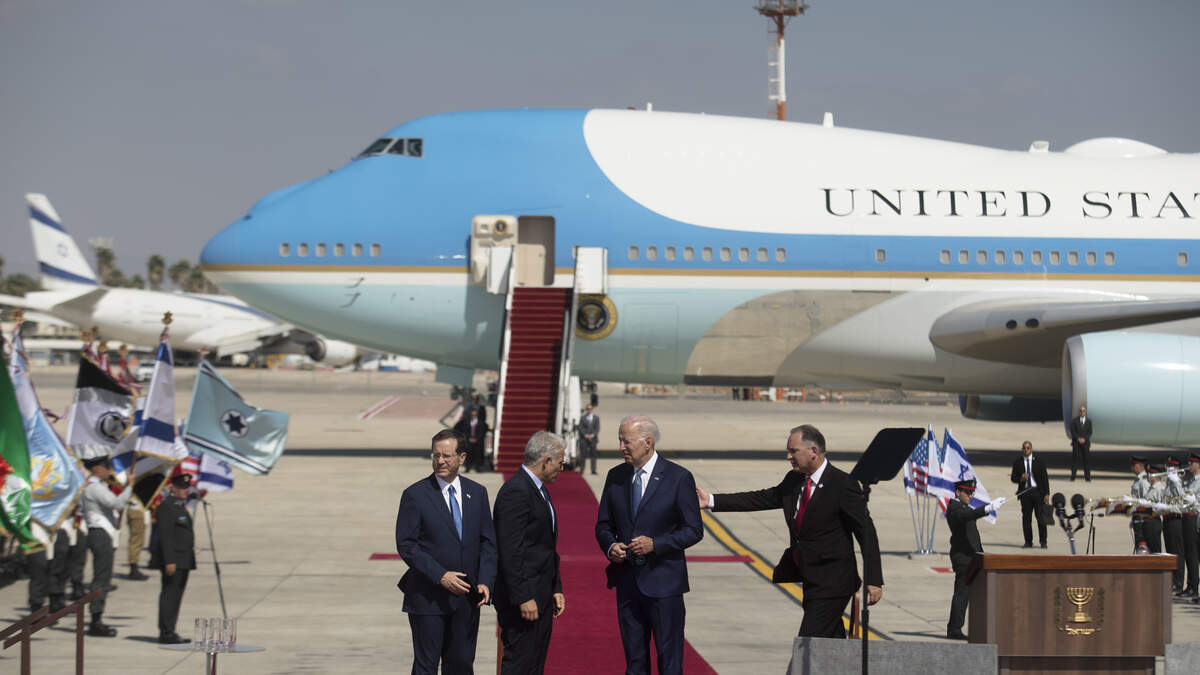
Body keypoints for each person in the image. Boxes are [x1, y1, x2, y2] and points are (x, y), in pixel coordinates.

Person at [697, 424, 883, 638]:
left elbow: (866, 532)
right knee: (829, 641)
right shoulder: (795, 479)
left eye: (793, 451)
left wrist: (874, 579)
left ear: (813, 451)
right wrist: (711, 500)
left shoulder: (842, 484)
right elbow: (761, 498)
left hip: (834, 580)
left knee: (809, 641)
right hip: (810, 577)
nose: (788, 456)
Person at [595, 415, 703, 675]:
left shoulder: (678, 478)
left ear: (648, 442)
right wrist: (611, 547)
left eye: (626, 441)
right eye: (620, 440)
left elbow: (693, 530)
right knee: (635, 663)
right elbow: (603, 525)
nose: (621, 447)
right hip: (628, 583)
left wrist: (656, 544)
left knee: (669, 662)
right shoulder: (616, 476)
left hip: (664, 585)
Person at [395, 429, 497, 675]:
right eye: (435, 455)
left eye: (446, 456)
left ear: (462, 458)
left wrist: (485, 580)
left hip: (466, 598)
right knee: (426, 666)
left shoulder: (477, 493)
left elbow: (488, 542)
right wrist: (440, 575)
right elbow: (407, 544)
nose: (440, 461)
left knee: (461, 664)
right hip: (428, 597)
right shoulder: (415, 495)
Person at [493, 431, 566, 674]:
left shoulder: (539, 489)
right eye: (560, 463)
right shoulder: (516, 491)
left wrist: (556, 587)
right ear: (546, 461)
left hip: (542, 595)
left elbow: (545, 546)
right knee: (520, 664)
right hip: (523, 600)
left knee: (534, 665)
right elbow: (510, 551)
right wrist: (523, 596)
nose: (561, 469)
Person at [80, 456, 135, 637]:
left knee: (104, 577)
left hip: (102, 533)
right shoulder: (94, 487)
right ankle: (95, 619)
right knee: (101, 578)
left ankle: (97, 617)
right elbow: (116, 503)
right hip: (100, 534)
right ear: (97, 469)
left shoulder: (98, 486)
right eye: (106, 467)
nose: (109, 471)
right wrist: (130, 486)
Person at [945, 479, 1005, 640]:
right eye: (968, 493)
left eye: (972, 493)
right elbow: (968, 516)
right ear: (958, 492)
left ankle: (980, 626)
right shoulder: (954, 509)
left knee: (978, 593)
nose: (971, 496)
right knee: (962, 594)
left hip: (973, 556)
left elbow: (971, 515)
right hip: (963, 558)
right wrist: (988, 508)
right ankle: (954, 629)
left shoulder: (963, 507)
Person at [149, 473, 195, 644]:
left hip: (184, 558)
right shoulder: (166, 507)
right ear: (172, 488)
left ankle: (171, 629)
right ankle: (166, 632)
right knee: (170, 595)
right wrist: (169, 560)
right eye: (181, 487)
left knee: (177, 596)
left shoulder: (179, 506)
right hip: (174, 560)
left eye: (186, 488)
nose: (185, 490)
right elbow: (166, 536)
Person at [1010, 440, 1049, 548]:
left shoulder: (1039, 461)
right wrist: (1021, 478)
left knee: (1040, 518)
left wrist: (1046, 493)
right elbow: (1013, 478)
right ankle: (1028, 541)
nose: (1026, 450)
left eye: (1028, 448)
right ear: (1022, 449)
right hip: (1025, 493)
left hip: (1038, 493)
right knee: (1026, 519)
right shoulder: (1018, 462)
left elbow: (1045, 478)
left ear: (1031, 449)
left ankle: (1043, 541)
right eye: (1024, 448)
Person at [1162, 456, 1187, 593]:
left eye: (1172, 466)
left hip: (1176, 519)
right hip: (1167, 519)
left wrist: (1176, 482)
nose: (1169, 468)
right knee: (1170, 551)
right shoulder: (1168, 482)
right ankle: (1172, 580)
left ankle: (1178, 582)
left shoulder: (1179, 482)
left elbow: (1182, 499)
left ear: (1177, 468)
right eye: (1168, 466)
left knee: (1178, 552)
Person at [1181, 452, 1200, 600]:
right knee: (1189, 554)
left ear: (1198, 465)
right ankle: (1191, 585)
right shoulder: (1191, 481)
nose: (1189, 465)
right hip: (1187, 518)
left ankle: (1194, 587)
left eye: (1191, 463)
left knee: (1193, 555)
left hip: (1194, 518)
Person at [453, 407, 487, 473]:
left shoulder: (481, 423)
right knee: (468, 455)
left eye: (475, 415)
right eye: (472, 415)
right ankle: (468, 467)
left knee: (477, 455)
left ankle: (477, 467)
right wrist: (469, 438)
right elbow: (465, 431)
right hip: (469, 441)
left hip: (478, 442)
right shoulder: (467, 422)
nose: (473, 416)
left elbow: (482, 432)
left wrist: (476, 438)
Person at [1129, 455, 1152, 550]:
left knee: (1143, 548)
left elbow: (1147, 500)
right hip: (1137, 516)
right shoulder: (1138, 479)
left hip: (1142, 518)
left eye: (1134, 465)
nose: (1132, 467)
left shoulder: (1144, 480)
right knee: (1139, 547)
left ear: (1140, 466)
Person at [1142, 464, 1166, 553]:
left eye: (1149, 474)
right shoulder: (1150, 489)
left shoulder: (1160, 489)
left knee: (1155, 551)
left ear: (1155, 476)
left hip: (1153, 522)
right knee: (1148, 551)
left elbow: (1162, 507)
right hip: (1147, 521)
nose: (1147, 476)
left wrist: (1151, 506)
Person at [1069, 405, 1093, 482]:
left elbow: (1090, 432)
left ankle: (1087, 477)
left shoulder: (1088, 421)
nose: (1082, 412)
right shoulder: (1074, 421)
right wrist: (1078, 439)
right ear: (1079, 412)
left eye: (1083, 411)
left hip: (1085, 444)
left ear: (1085, 412)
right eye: (1081, 411)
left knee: (1086, 460)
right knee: (1075, 460)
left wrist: (1084, 439)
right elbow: (1073, 431)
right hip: (1077, 444)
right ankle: (1073, 476)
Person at [578, 404, 600, 475]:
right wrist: (586, 435)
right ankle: (582, 469)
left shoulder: (596, 418)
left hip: (593, 439)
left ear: (592, 409)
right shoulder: (582, 418)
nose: (589, 410)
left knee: (593, 455)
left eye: (590, 409)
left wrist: (592, 435)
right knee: (583, 455)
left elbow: (597, 428)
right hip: (584, 439)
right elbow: (580, 428)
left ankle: (593, 470)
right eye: (587, 409)